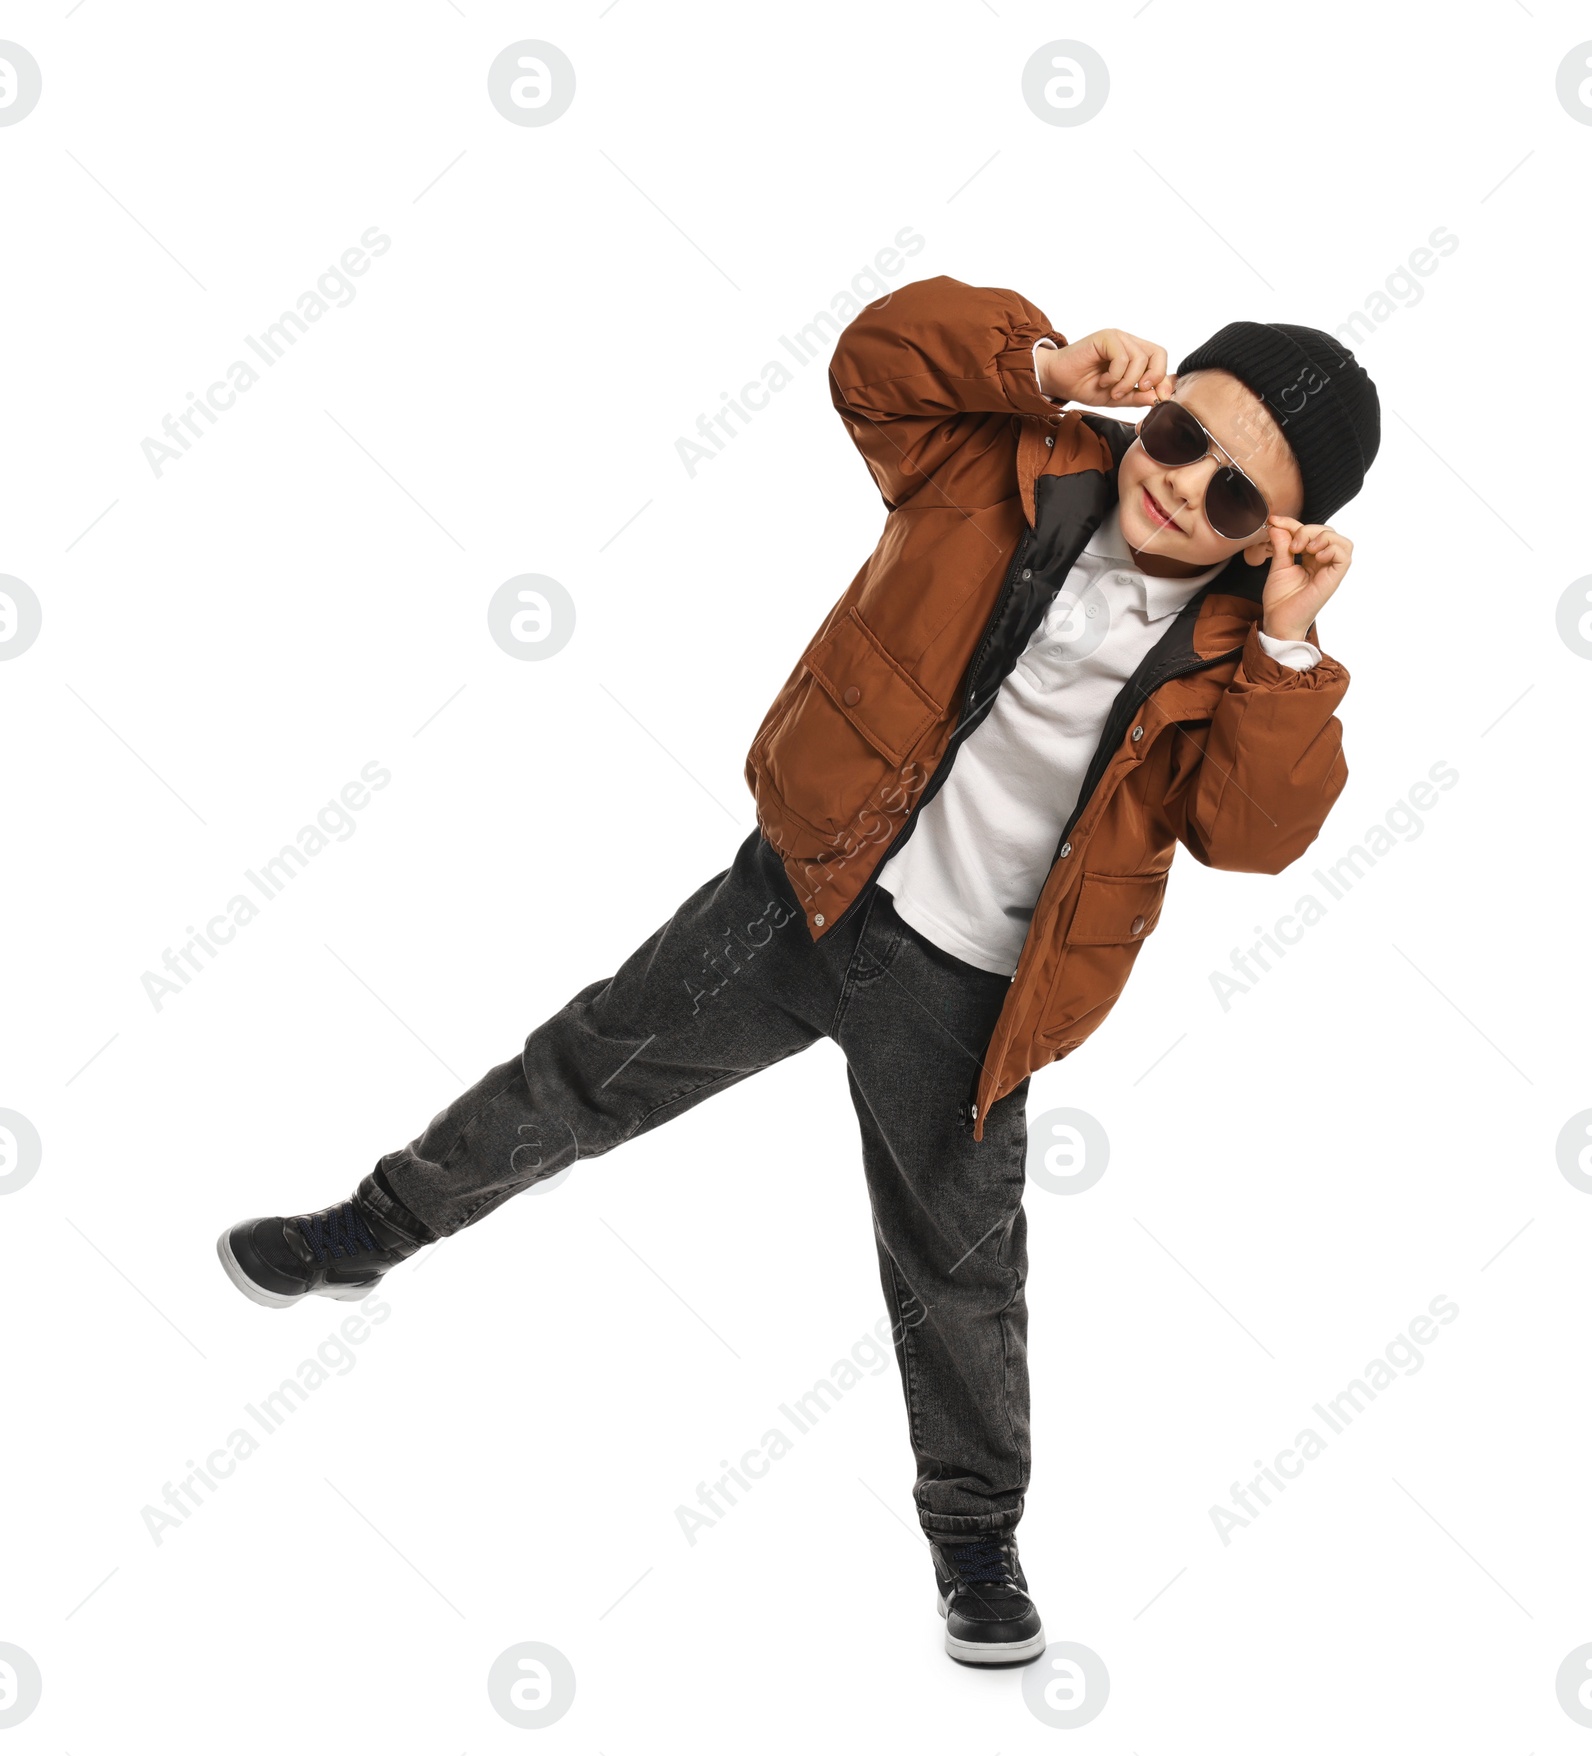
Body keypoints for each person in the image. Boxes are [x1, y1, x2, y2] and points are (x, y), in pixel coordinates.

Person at [216, 276, 1379, 1665]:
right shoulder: (1001, 464)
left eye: (1238, 498)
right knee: (584, 1071)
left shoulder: (1241, 657)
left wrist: (1296, 646)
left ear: (1279, 538)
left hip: (970, 1002)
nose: (1186, 489)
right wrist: (1044, 363)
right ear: (1156, 401)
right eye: (1181, 434)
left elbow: (1253, 836)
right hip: (805, 892)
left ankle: (975, 1545)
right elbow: (872, 366)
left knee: (958, 1280)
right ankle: (374, 1227)